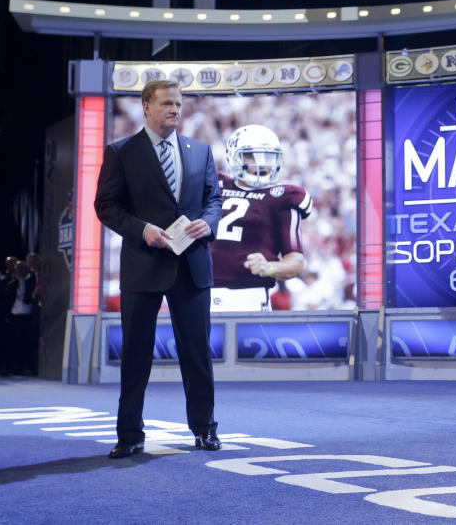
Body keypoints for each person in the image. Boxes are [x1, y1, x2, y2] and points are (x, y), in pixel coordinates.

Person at [94, 79, 223, 459]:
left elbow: (213, 199)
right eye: (167, 103)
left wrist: (209, 222)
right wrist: (143, 230)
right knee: (136, 354)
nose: (175, 110)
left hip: (192, 265)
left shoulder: (200, 151)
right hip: (143, 263)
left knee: (197, 352)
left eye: (179, 104)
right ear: (146, 107)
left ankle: (205, 429)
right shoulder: (121, 152)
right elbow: (106, 205)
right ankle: (130, 434)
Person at [210, 124, 311, 312]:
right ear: (234, 156)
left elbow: (296, 261)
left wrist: (270, 267)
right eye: (251, 155)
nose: (261, 164)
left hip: (249, 297)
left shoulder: (282, 196)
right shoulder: (213, 184)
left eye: (268, 157)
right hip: (200, 294)